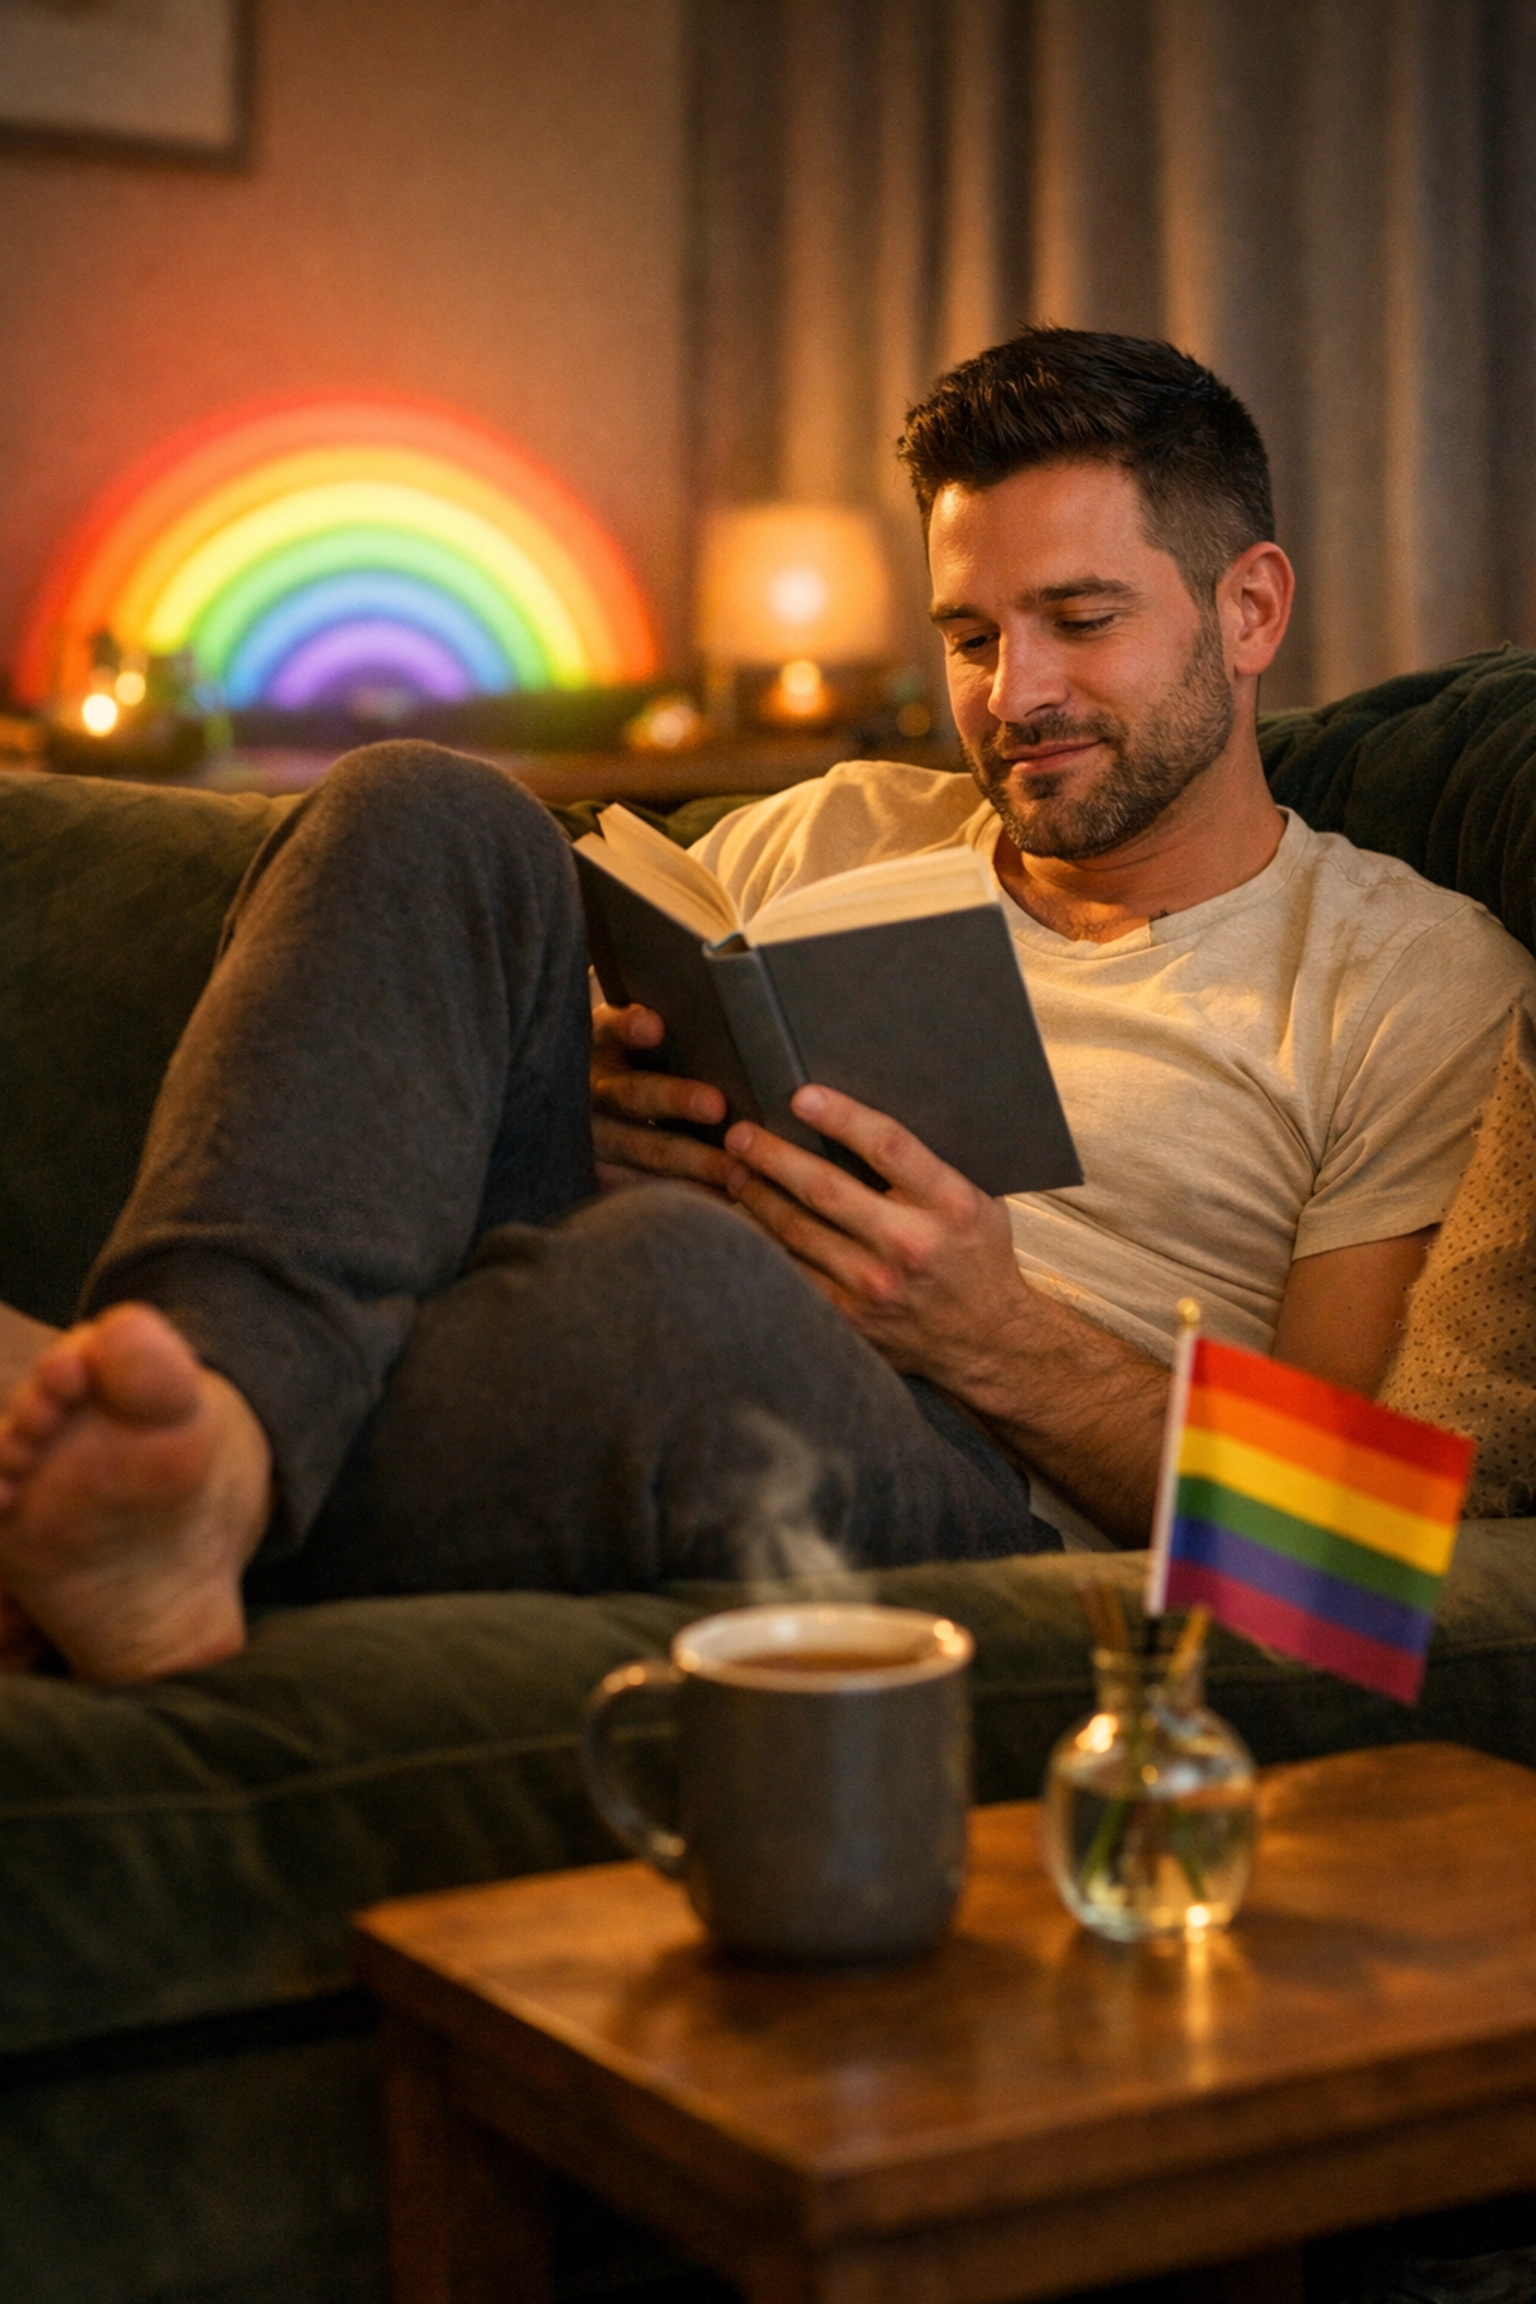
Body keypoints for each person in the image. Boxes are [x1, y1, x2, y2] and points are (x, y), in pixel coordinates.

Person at [2, 328, 1531, 1685]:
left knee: (682, 1284)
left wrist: (992, 1334)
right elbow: (479, 1093)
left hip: (960, 1473)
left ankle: (134, 1479)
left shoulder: (1403, 977)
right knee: (426, 807)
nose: (1015, 697)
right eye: (973, 636)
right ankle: (201, 1431)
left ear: (1249, 610)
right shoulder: (839, 826)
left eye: (1082, 618)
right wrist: (594, 1089)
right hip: (604, 1290)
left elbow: (1362, 1553)